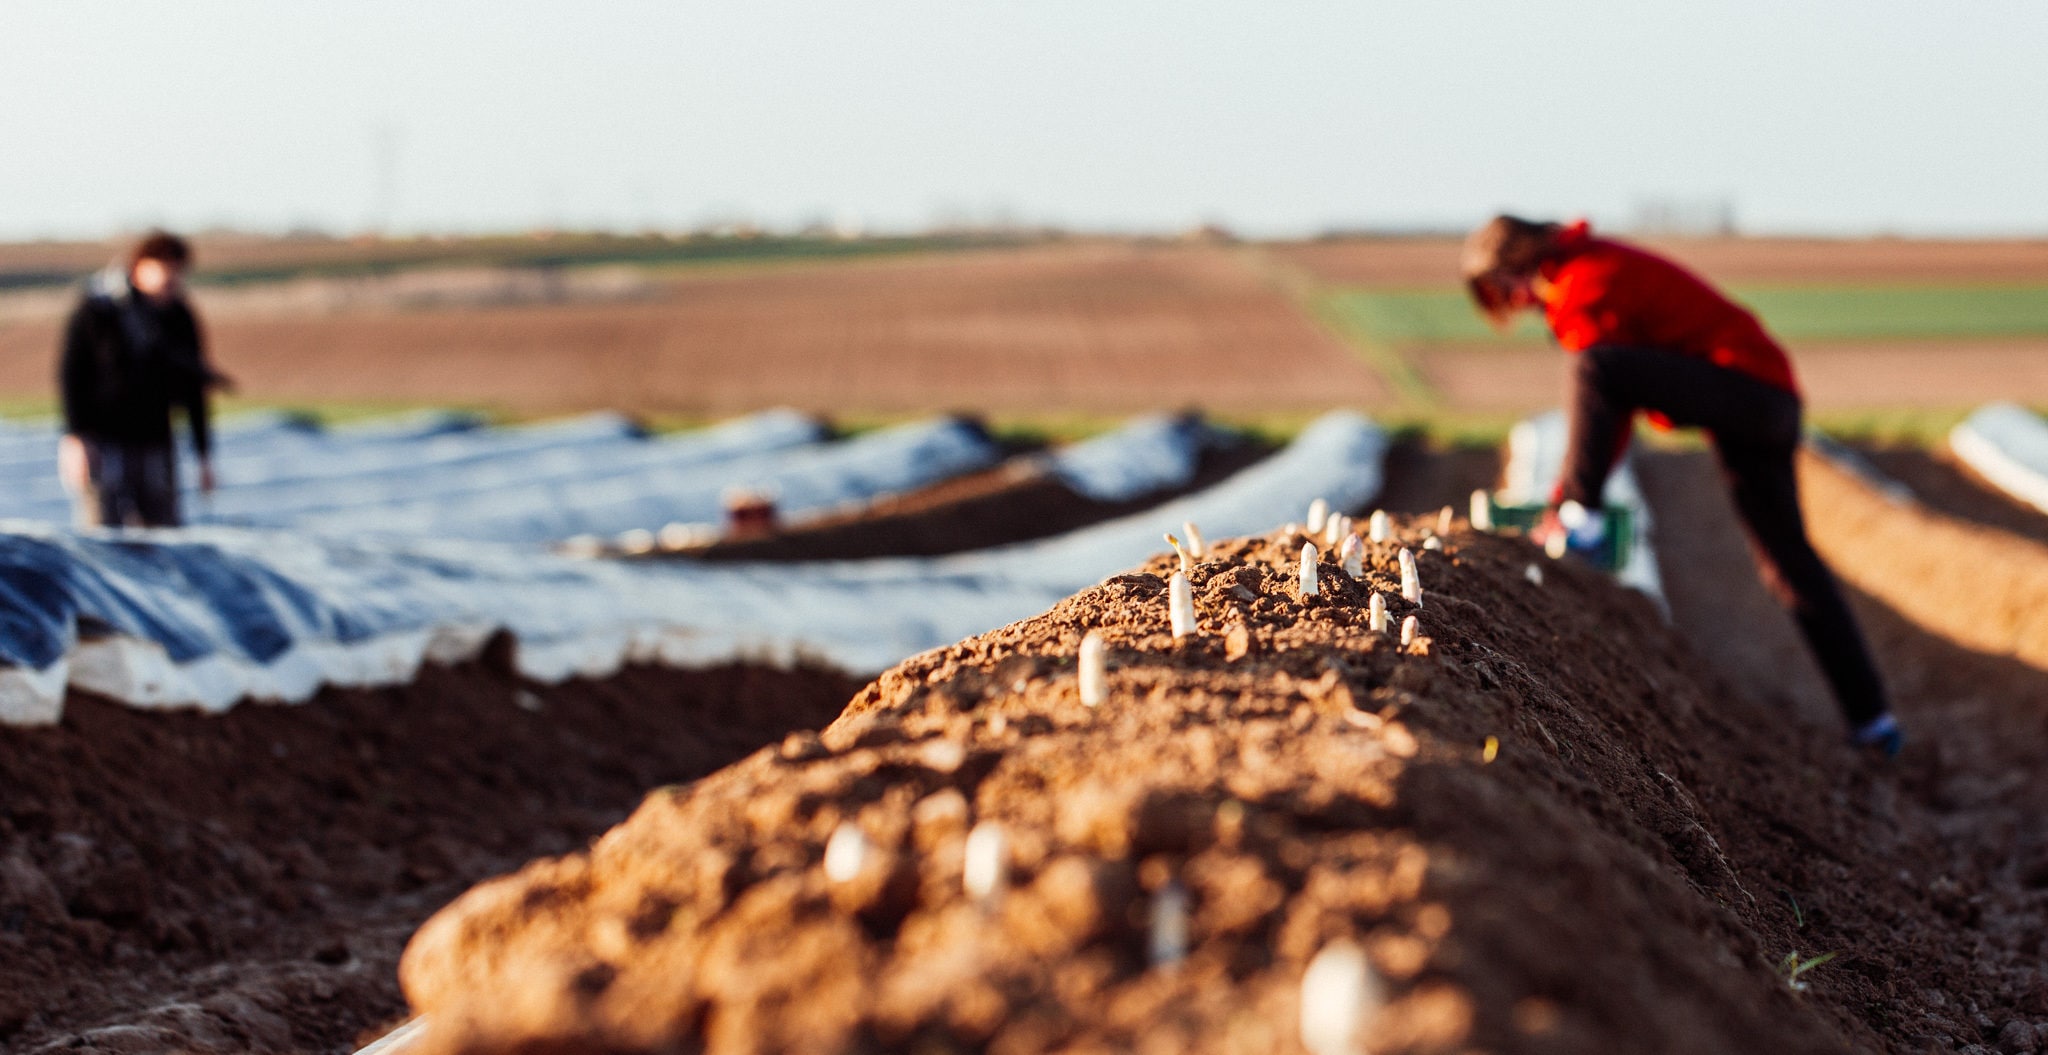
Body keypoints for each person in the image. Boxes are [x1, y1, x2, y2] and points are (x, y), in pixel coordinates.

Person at [1461, 215, 1902, 756]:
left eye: (1503, 290)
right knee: (1787, 563)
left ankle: (1584, 525)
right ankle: (1873, 720)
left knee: (1593, 368)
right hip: (1764, 402)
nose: (1513, 305)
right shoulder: (1589, 266)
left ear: (1518, 263)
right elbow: (1610, 414)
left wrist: (1572, 506)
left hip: (1748, 392)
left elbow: (1604, 396)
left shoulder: (1586, 280)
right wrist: (1572, 497)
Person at [57, 231, 227, 528]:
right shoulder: (98, 310)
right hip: (104, 440)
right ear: (140, 266)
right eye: (165, 269)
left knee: (164, 535)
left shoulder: (179, 317)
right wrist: (75, 438)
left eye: (178, 272)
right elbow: (72, 375)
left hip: (156, 441)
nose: (171, 280)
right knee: (102, 533)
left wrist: (204, 456)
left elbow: (193, 385)